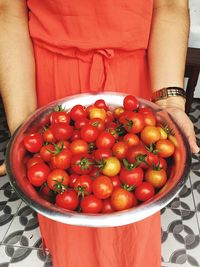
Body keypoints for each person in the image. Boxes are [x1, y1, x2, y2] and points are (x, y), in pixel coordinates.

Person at [0, 0, 199, 266]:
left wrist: (170, 103)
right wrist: (24, 126)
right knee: (67, 207)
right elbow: (8, 12)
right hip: (52, 80)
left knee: (132, 209)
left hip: (133, 82)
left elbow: (171, 5)